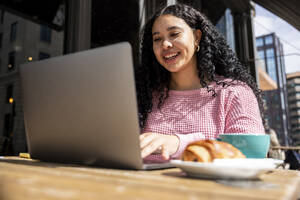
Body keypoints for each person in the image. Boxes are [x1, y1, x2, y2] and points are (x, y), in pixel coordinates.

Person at [135, 4, 265, 163]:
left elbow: (249, 153)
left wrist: (179, 143)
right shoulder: (146, 95)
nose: (165, 44)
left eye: (174, 34)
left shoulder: (235, 93)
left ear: (197, 37)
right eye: (157, 39)